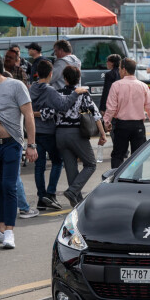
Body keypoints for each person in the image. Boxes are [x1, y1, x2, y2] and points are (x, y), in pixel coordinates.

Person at [0, 50, 40, 251]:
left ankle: (9, 231)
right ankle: (0, 229)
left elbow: (29, 116)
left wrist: (31, 145)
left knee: (9, 185)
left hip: (11, 143)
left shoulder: (15, 85)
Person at [28, 58, 83, 211]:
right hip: (49, 132)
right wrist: (75, 93)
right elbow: (63, 105)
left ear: (37, 73)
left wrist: (35, 114)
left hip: (34, 131)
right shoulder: (50, 90)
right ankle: (51, 193)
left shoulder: (31, 88)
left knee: (39, 166)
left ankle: (41, 197)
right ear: (51, 74)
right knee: (57, 162)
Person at [54, 65, 105, 206]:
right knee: (91, 164)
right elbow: (95, 115)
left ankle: (76, 202)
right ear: (79, 78)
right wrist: (103, 134)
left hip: (60, 134)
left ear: (65, 79)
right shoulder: (82, 94)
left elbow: (47, 113)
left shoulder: (57, 93)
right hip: (76, 133)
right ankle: (73, 191)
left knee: (71, 167)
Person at [102, 58, 150, 169]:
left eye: (119, 69)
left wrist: (106, 122)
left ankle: (115, 180)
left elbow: (111, 108)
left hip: (121, 125)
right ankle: (135, 180)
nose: (118, 71)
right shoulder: (143, 86)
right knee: (138, 156)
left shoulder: (116, 85)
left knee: (118, 155)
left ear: (124, 70)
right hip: (138, 126)